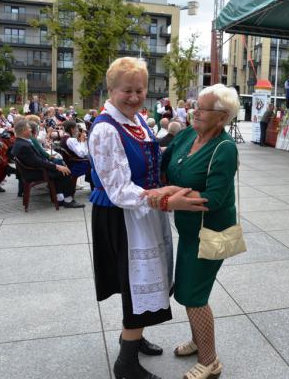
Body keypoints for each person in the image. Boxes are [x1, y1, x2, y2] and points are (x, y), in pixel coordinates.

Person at [88, 57, 208, 379]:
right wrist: (167, 200)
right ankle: (125, 364)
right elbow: (117, 189)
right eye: (127, 90)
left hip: (145, 211)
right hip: (122, 216)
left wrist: (169, 183)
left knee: (147, 282)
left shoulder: (137, 120)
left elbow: (152, 165)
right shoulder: (105, 129)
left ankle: (134, 337)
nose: (134, 96)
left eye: (140, 90)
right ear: (111, 90)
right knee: (137, 284)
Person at [161, 83, 240, 379]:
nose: (194, 111)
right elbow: (164, 162)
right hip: (189, 230)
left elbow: (216, 198)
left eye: (202, 108)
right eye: (195, 105)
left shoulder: (225, 148)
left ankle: (210, 362)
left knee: (194, 294)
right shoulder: (185, 136)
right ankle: (199, 340)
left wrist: (170, 198)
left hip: (213, 234)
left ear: (221, 117)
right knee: (185, 289)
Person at [11, 120, 83, 208]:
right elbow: (37, 162)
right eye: (29, 128)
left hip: (33, 170)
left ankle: (59, 199)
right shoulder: (23, 145)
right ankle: (68, 200)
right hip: (35, 173)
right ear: (23, 130)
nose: (31, 130)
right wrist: (57, 167)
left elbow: (36, 160)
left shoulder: (20, 142)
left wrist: (55, 165)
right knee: (66, 171)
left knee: (60, 167)